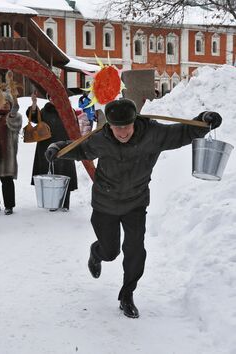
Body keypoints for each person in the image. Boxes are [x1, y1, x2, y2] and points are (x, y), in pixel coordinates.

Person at [45, 98, 223, 318]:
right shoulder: (102, 138)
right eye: (116, 128)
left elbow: (183, 132)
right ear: (109, 125)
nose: (122, 133)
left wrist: (204, 120)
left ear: (134, 121)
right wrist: (58, 148)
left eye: (126, 126)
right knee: (111, 252)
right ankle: (97, 252)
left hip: (135, 203)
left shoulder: (152, 134)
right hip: (105, 204)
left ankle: (127, 294)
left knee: (135, 251)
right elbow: (80, 149)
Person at [26, 91, 77, 211]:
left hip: (65, 146)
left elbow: (75, 127)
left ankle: (65, 203)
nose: (54, 100)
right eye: (52, 97)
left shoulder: (68, 110)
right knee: (51, 176)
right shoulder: (44, 111)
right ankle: (53, 202)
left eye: (57, 97)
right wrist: (34, 104)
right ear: (49, 99)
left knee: (65, 174)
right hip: (47, 147)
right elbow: (33, 117)